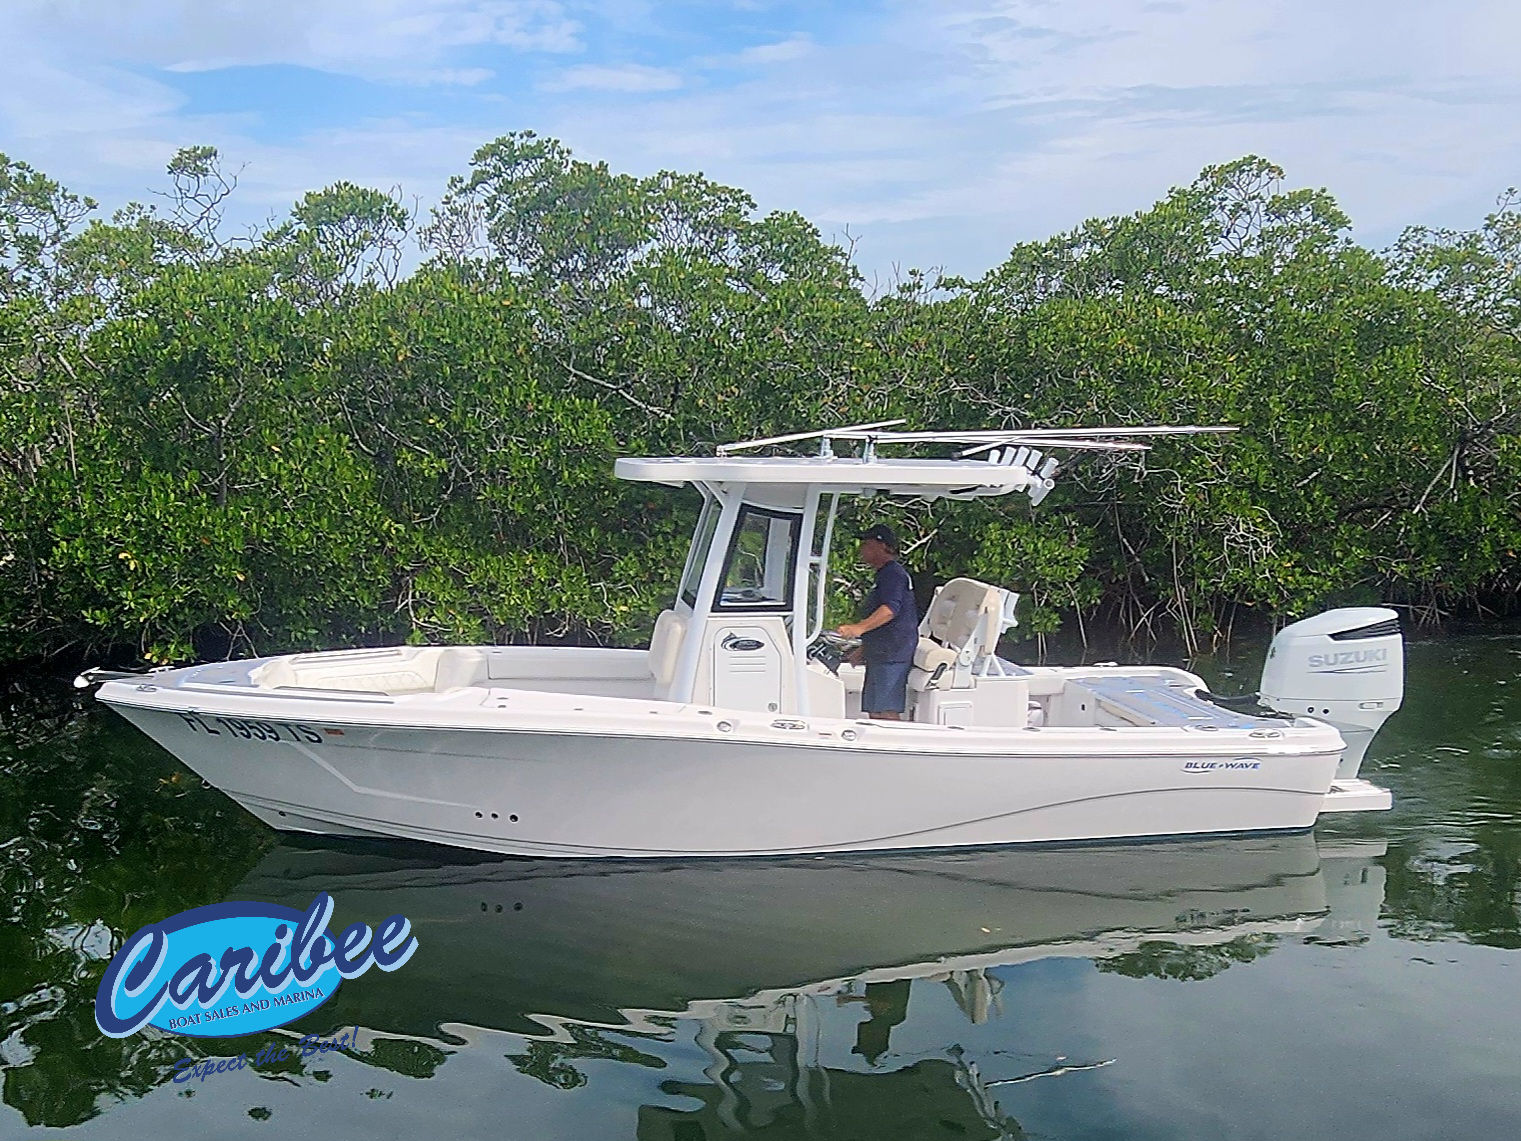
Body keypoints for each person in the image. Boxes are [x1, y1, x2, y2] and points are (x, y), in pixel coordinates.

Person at [835, 524, 919, 720]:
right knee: (875, 710)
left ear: (882, 546)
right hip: (881, 650)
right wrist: (864, 649)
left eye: (867, 544)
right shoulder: (884, 574)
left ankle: (895, 740)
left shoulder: (893, 574)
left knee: (887, 711)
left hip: (893, 652)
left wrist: (858, 629)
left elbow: (889, 610)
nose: (862, 549)